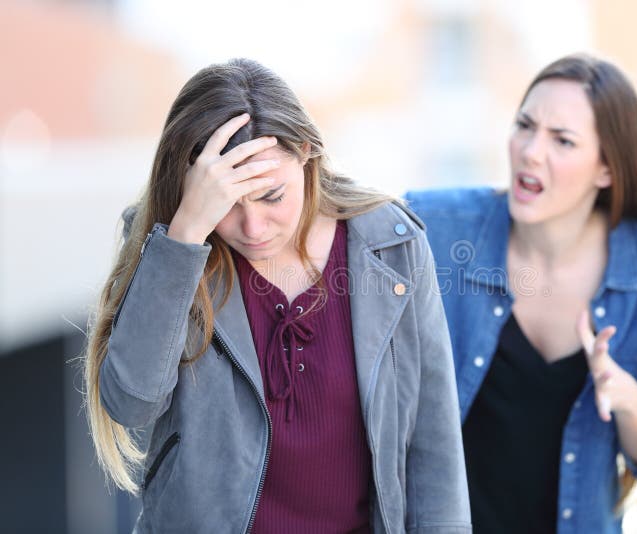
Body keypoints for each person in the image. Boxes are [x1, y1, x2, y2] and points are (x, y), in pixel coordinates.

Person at [83, 58, 471, 533]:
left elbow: (434, 450)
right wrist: (185, 235)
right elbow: (131, 402)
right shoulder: (171, 248)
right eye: (227, 203)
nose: (253, 227)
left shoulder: (390, 245)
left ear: (307, 153)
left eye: (271, 196)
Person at [404, 54, 637, 534]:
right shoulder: (435, 229)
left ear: (607, 168)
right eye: (525, 125)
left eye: (562, 140)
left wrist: (627, 398)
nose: (531, 151)